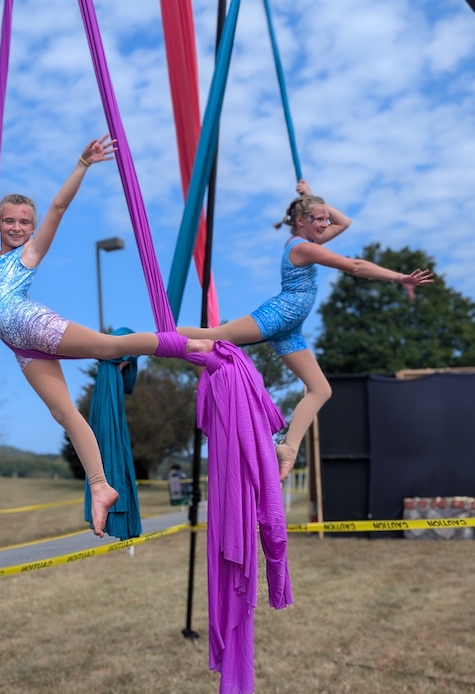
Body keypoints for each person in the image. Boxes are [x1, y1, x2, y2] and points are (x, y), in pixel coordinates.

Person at [0, 135, 214, 537]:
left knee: (108, 346)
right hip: (22, 347)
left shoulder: (27, 254)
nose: (16, 227)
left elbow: (58, 206)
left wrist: (82, 164)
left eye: (23, 222)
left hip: (34, 324)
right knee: (65, 414)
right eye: (9, 221)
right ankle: (101, 486)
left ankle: (184, 344)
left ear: (31, 228)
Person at [178, 179, 434, 480]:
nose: (326, 224)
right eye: (319, 219)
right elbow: (354, 266)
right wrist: (400, 276)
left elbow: (345, 221)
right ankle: (161, 335)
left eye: (326, 219)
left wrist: (311, 198)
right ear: (301, 221)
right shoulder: (302, 247)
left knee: (321, 389)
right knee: (210, 336)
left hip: (291, 329)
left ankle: (287, 448)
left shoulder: (310, 242)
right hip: (277, 316)